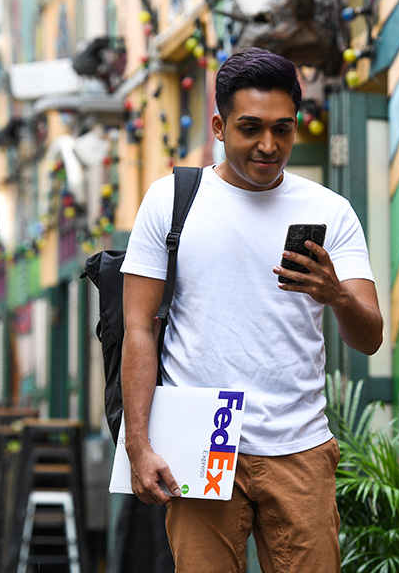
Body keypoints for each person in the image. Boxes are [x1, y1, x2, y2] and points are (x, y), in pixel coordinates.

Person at [119, 46, 384, 572]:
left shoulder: (330, 211)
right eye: (251, 128)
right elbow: (138, 330)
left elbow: (369, 336)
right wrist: (139, 445)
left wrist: (335, 294)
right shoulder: (171, 201)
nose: (269, 145)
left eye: (283, 129)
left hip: (300, 444)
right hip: (201, 442)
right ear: (218, 125)